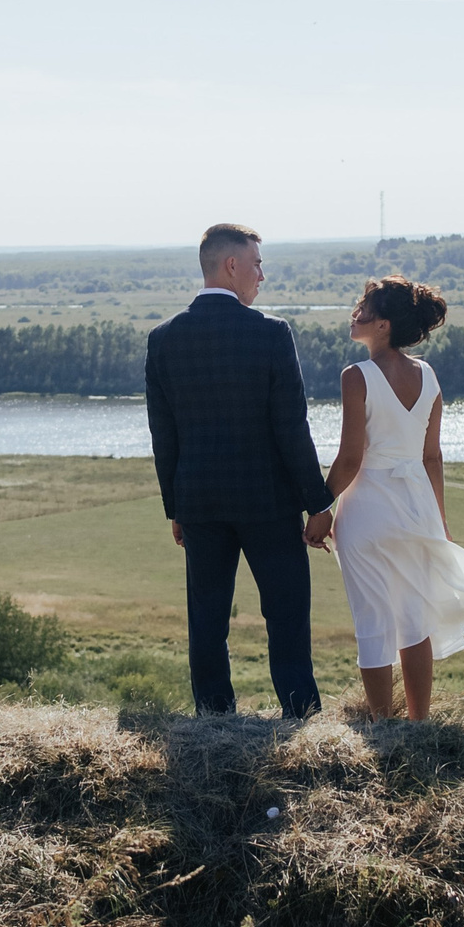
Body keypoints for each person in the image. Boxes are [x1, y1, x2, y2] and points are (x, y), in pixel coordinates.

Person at [145, 223, 336, 717]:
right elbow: (292, 429)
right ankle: (301, 718)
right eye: (256, 264)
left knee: (206, 618)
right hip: (268, 503)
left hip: (199, 503)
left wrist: (176, 508)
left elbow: (163, 437)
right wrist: (319, 503)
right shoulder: (271, 334)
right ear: (231, 266)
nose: (262, 276)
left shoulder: (163, 339)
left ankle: (213, 720)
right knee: (287, 616)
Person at [321, 275, 464, 720]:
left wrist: (320, 508)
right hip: (416, 508)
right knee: (413, 620)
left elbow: (348, 460)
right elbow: (432, 457)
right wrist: (439, 523)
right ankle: (419, 724)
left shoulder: (356, 376)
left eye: (363, 308)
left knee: (373, 620)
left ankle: (383, 726)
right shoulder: (428, 374)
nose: (355, 313)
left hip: (367, 510)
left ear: (383, 325)